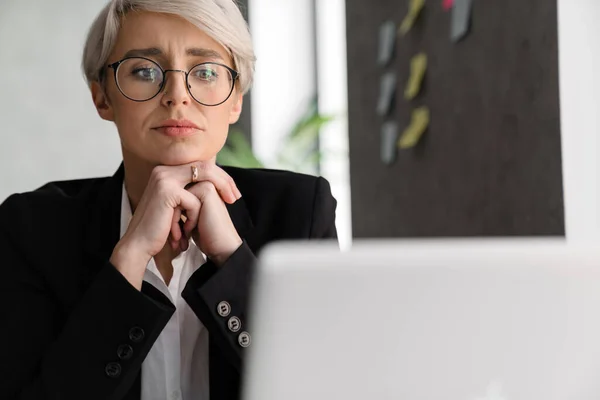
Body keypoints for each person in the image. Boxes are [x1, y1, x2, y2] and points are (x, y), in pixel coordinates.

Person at [0, 1, 337, 399]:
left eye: (207, 71)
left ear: (236, 101)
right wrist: (128, 260)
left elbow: (323, 386)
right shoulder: (32, 227)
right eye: (145, 71)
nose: (177, 95)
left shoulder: (300, 211)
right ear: (102, 98)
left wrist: (231, 259)